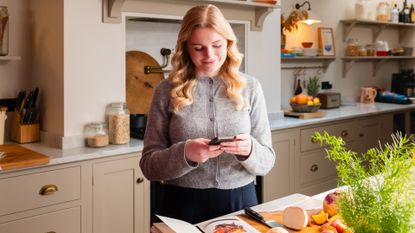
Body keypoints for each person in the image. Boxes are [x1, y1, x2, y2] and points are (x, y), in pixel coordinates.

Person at [140, 4, 275, 224]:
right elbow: (149, 166)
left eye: (217, 45)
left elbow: (267, 160)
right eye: (198, 48)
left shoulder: (251, 87)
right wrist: (186, 153)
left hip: (240, 202)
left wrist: (250, 149)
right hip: (180, 205)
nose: (209, 55)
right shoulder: (165, 91)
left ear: (228, 43)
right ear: (185, 48)